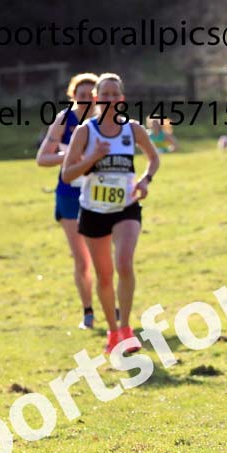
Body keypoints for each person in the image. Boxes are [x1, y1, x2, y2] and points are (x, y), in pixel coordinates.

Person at [62, 73, 160, 354]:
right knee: (105, 277)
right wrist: (93, 157)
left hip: (126, 208)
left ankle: (126, 328)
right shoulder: (85, 131)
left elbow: (154, 158)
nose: (109, 99)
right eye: (104, 94)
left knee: (125, 263)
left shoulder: (133, 130)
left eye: (114, 94)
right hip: (93, 211)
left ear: (121, 99)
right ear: (96, 99)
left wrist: (144, 180)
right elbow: (67, 174)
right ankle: (113, 331)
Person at [36, 73, 99, 329]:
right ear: (72, 96)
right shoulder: (64, 120)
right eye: (80, 96)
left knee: (103, 257)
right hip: (69, 196)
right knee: (82, 259)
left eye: (90, 96)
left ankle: (112, 306)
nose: (85, 101)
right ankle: (88, 312)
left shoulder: (103, 121)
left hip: (98, 194)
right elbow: (42, 158)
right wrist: (73, 156)